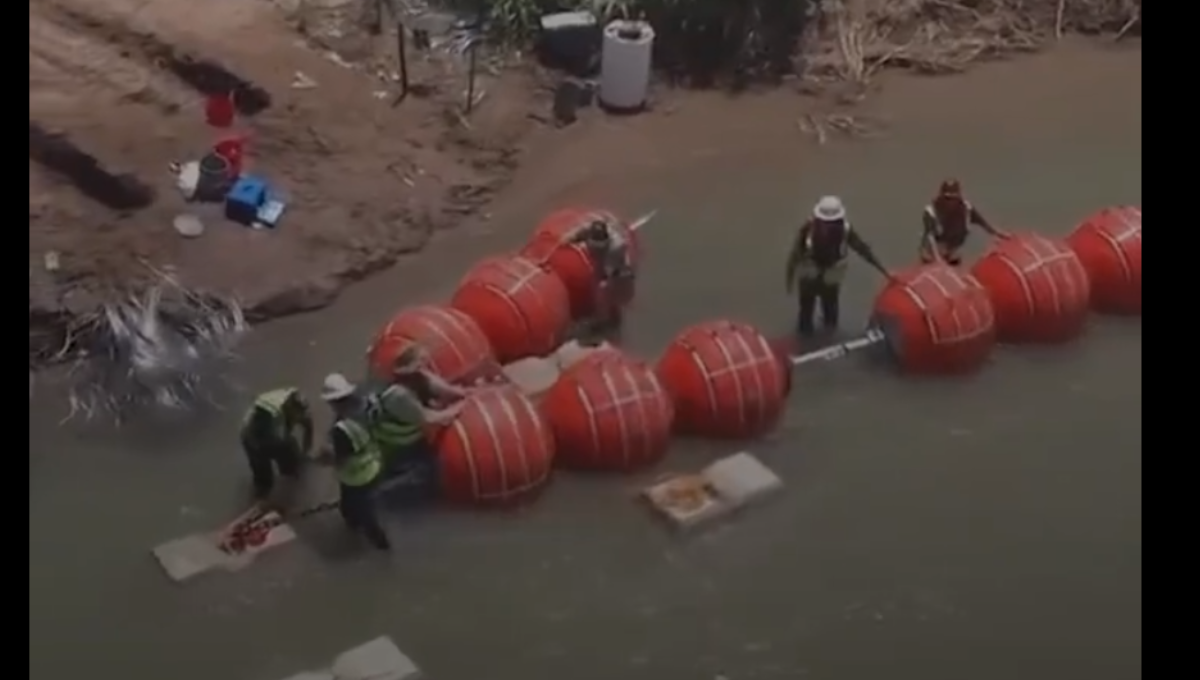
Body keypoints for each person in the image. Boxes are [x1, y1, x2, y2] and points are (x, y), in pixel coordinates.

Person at [785, 195, 894, 338]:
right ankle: (811, 342)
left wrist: (884, 271)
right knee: (811, 316)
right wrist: (789, 280)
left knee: (825, 315)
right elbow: (794, 256)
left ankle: (820, 342)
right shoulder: (808, 230)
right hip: (814, 277)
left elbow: (862, 250)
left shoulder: (840, 230)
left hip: (823, 278)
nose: (829, 226)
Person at [364, 345, 469, 492]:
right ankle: (387, 489)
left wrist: (462, 394)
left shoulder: (417, 377)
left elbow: (442, 388)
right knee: (431, 469)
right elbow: (428, 418)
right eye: (419, 365)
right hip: (395, 444)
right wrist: (457, 409)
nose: (423, 368)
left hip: (410, 434)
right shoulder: (398, 395)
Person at [318, 373, 391, 552]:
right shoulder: (367, 404)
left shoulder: (341, 429)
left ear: (333, 402)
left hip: (357, 476)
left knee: (365, 516)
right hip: (374, 462)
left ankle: (382, 548)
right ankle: (361, 531)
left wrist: (322, 459)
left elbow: (338, 459)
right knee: (355, 508)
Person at [240, 387, 314, 504]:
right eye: (296, 412)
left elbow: (308, 429)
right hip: (253, 436)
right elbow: (258, 437)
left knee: (292, 465)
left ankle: (290, 485)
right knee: (264, 480)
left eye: (300, 412)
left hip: (276, 434)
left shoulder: (300, 410)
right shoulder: (271, 412)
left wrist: (306, 452)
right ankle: (260, 502)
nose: (300, 415)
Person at [920, 179, 1009, 266]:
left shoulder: (966, 209)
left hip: (952, 250)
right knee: (932, 255)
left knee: (955, 260)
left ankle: (949, 258)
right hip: (933, 251)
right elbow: (930, 237)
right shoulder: (931, 212)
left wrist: (1002, 235)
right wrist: (937, 259)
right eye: (947, 198)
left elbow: (985, 224)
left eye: (953, 198)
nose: (950, 202)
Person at [569, 219, 634, 337]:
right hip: (607, 263)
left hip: (619, 271)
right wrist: (570, 240)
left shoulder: (616, 248)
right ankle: (603, 315)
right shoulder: (588, 230)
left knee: (603, 289)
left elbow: (610, 273)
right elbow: (576, 235)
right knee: (598, 285)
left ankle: (604, 321)